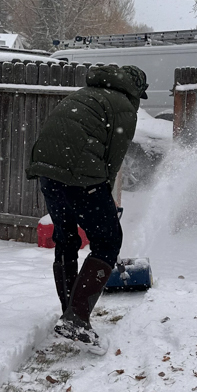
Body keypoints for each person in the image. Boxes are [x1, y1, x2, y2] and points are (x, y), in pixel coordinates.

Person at [27, 63, 148, 353]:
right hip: (81, 174)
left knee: (66, 237)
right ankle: (77, 318)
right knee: (108, 241)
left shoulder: (86, 93)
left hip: (47, 170)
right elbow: (113, 157)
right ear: (135, 90)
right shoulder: (123, 107)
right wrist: (104, 193)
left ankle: (70, 312)